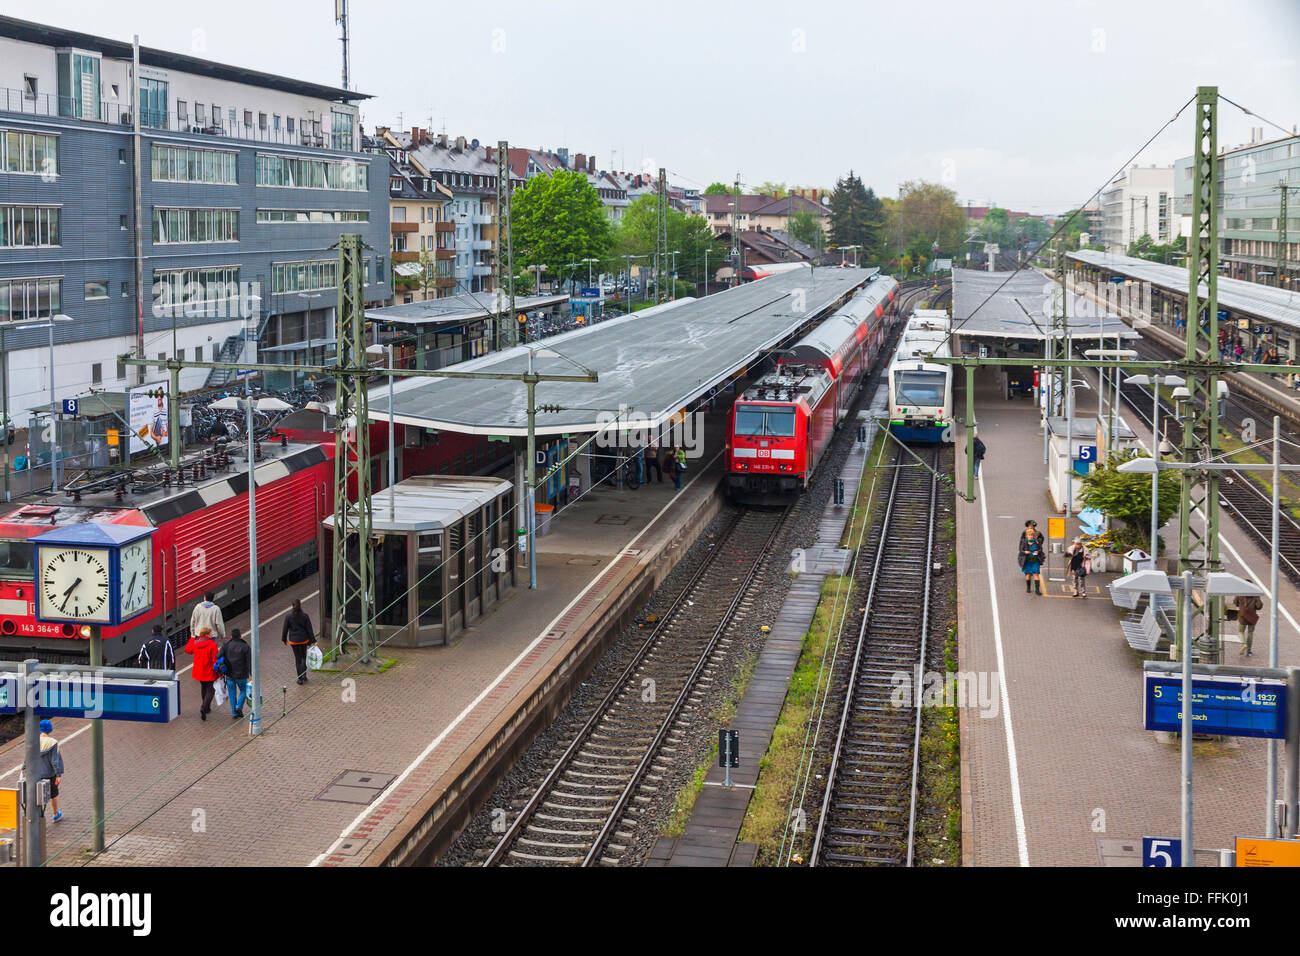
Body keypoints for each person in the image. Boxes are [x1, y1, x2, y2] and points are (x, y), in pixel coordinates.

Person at [30, 719, 64, 822]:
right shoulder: (53, 742)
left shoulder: (33, 740)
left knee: (37, 794)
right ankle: (55, 815)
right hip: (50, 774)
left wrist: (23, 766)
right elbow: (55, 761)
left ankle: (38, 816)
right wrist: (58, 774)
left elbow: (28, 756)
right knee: (53, 794)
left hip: (35, 774)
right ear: (50, 730)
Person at [184, 627, 219, 720]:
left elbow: (187, 650)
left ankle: (206, 708)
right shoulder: (212, 644)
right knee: (211, 690)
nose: (212, 635)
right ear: (207, 634)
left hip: (199, 671)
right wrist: (219, 673)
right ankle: (204, 707)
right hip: (209, 670)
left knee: (204, 687)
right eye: (211, 633)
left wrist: (192, 638)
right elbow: (215, 660)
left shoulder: (196, 643)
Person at [219, 627, 252, 719]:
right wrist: (251, 674)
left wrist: (222, 669)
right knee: (244, 690)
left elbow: (218, 656)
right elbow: (249, 661)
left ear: (231, 636)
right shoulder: (245, 646)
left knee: (232, 693)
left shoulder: (226, 645)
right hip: (241, 674)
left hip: (229, 674)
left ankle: (234, 712)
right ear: (240, 636)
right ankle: (238, 707)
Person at [282, 598, 316, 684]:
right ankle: (304, 675)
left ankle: (300, 679)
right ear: (300, 605)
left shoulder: (288, 616)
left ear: (292, 606)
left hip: (294, 641)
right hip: (304, 640)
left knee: (298, 659)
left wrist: (284, 639)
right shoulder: (305, 616)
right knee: (304, 657)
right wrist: (313, 640)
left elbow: (285, 628)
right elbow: (309, 629)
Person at [1018, 521, 1045, 595]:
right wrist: (1024, 552)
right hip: (1027, 560)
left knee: (1036, 574)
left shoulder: (1038, 537)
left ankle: (1037, 590)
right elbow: (1021, 548)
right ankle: (1028, 587)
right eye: (1029, 535)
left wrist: (1038, 551)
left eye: (1032, 535)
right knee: (1028, 574)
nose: (1031, 536)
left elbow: (1041, 546)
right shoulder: (1024, 539)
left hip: (1035, 560)